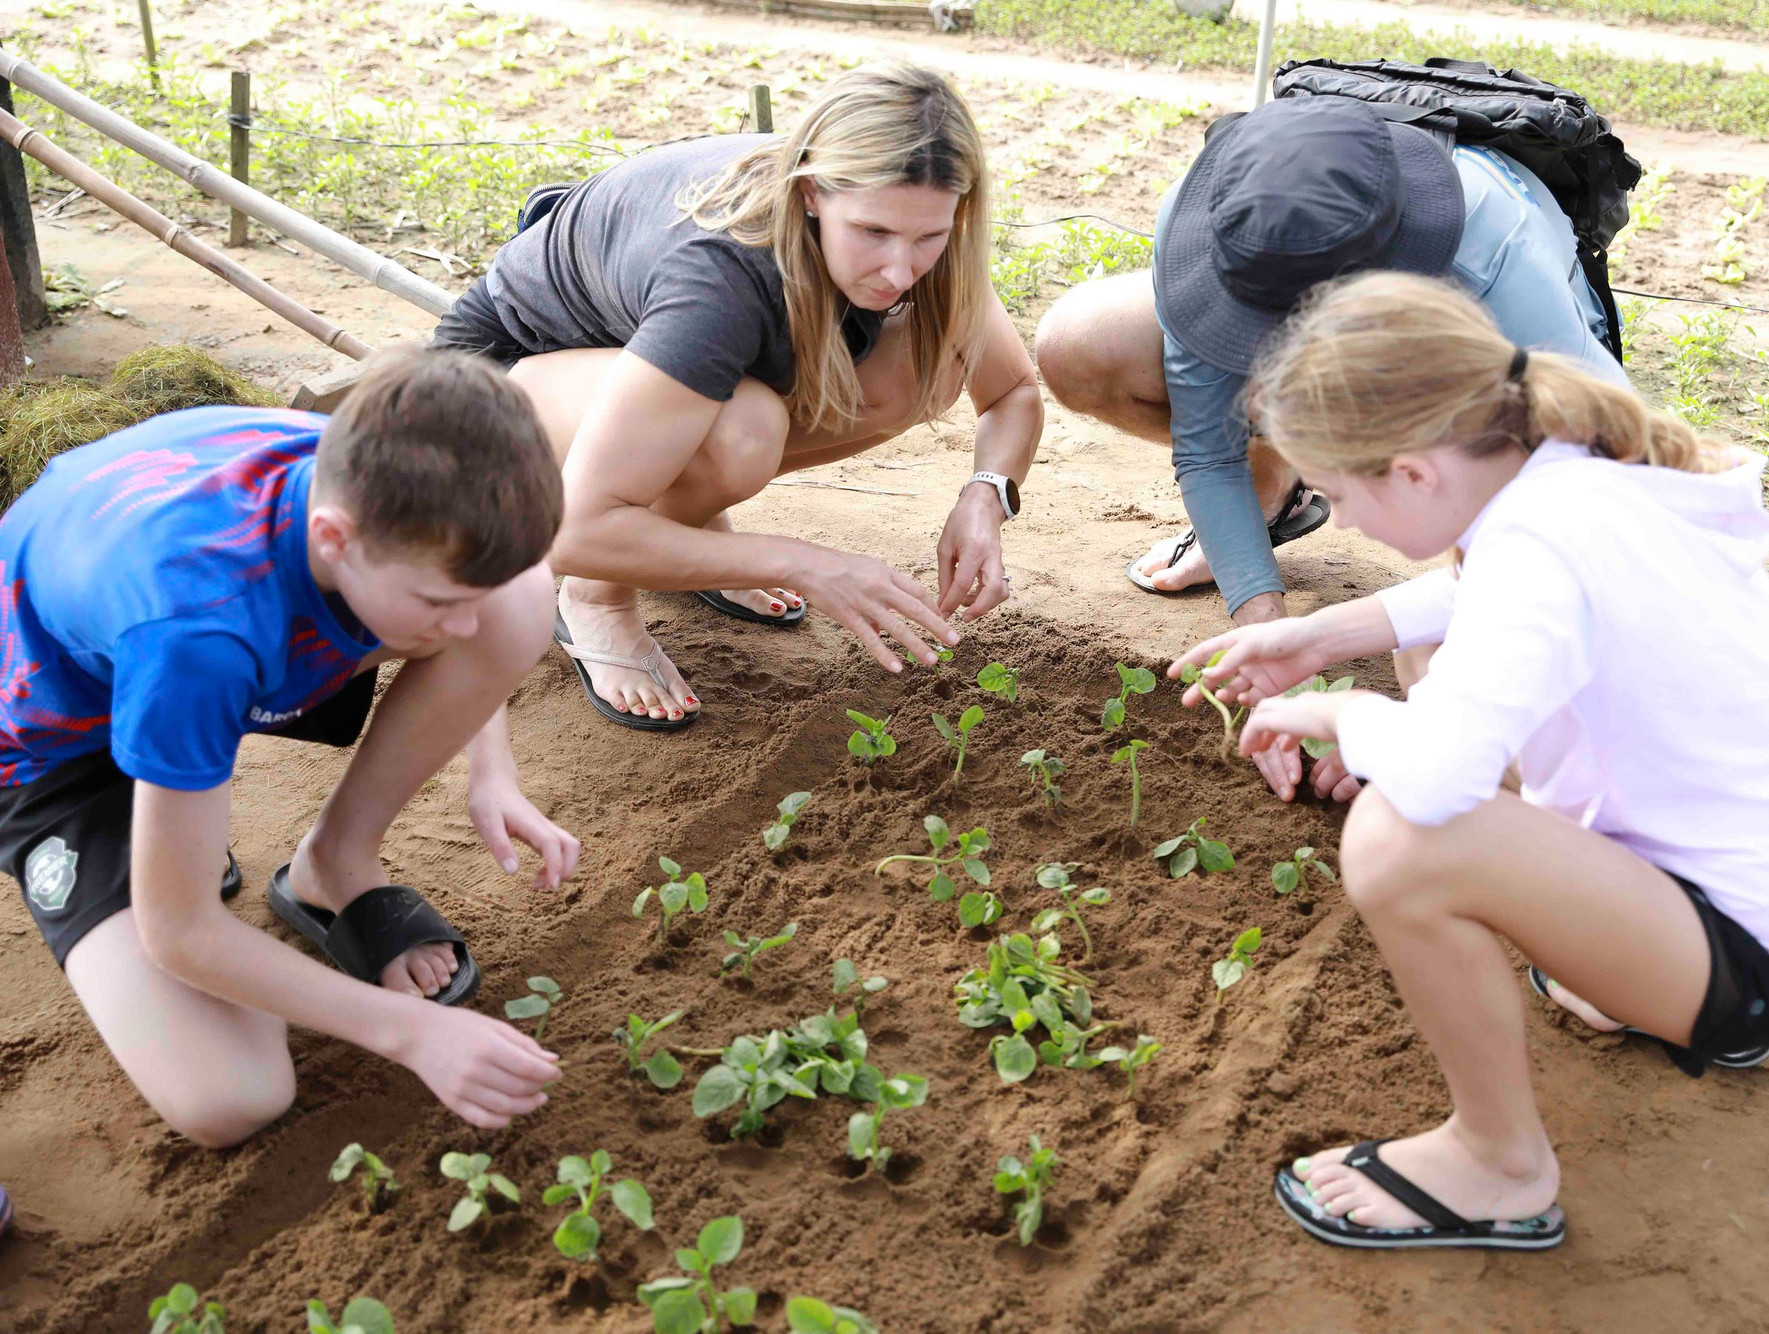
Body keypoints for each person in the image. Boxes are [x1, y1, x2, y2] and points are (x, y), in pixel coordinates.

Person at [1168, 273, 1769, 1250]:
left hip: (1752, 953)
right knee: (1423, 675)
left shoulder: (1536, 546)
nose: (1349, 522)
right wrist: (1327, 634)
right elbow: (1491, 597)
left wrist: (1338, 713)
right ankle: (1632, 982)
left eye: (1336, 493)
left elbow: (1441, 776)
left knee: (1398, 839)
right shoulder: (1568, 474)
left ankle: (1497, 1164)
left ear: (1412, 471)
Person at [0, 350, 581, 1147]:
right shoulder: (196, 633)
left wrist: (492, 767)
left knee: (519, 596)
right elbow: (183, 934)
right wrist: (409, 1032)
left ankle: (334, 863)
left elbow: (473, 590)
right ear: (335, 538)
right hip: (60, 749)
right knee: (232, 1093)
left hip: (186, 648)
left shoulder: (375, 477)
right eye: (441, 603)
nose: (464, 630)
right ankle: (162, 835)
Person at [433, 61, 1042, 730]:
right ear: (811, 192)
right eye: (872, 234)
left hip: (640, 372)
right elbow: (575, 529)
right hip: (493, 384)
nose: (901, 270)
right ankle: (597, 600)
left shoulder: (924, 222)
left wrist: (986, 495)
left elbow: (1011, 391)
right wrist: (806, 563)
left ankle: (680, 519)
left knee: (927, 364)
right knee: (742, 434)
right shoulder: (721, 272)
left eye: (927, 238)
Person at [1036, 95, 1627, 628]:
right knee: (1080, 341)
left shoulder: (1490, 253)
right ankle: (1270, 485)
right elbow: (1206, 443)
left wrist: (1479, 599)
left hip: (1464, 354)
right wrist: (1262, 619)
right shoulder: (1220, 209)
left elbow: (1612, 450)